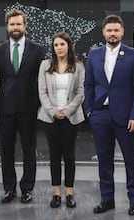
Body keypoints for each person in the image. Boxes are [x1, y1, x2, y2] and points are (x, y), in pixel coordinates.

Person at [84, 14, 134, 215]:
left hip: (126, 116)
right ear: (103, 32)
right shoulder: (93, 55)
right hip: (100, 115)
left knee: (131, 159)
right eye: (109, 30)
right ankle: (107, 198)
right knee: (104, 159)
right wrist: (90, 110)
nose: (112, 34)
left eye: (116, 30)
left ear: (122, 32)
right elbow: (89, 85)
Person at [0, 9, 44, 204]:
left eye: (19, 24)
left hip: (29, 108)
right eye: (12, 25)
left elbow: (41, 79)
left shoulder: (37, 49)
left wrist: (40, 104)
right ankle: (9, 188)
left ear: (24, 26)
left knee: (29, 150)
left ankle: (27, 188)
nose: (15, 28)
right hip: (5, 109)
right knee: (6, 150)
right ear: (7, 27)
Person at [38, 31, 85, 208]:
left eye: (62, 44)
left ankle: (69, 193)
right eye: (56, 45)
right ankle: (56, 193)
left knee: (70, 155)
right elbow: (42, 91)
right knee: (54, 155)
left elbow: (81, 92)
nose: (59, 48)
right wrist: (53, 111)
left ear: (68, 46)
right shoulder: (45, 65)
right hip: (50, 117)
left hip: (71, 117)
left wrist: (67, 110)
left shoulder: (78, 66)